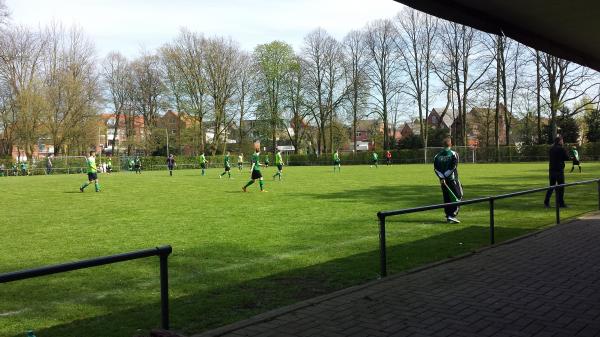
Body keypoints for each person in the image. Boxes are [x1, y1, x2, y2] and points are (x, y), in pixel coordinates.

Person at [433, 137, 463, 224]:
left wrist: (442, 178)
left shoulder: (437, 156)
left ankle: (448, 215)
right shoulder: (454, 154)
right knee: (458, 195)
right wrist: (446, 176)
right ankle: (452, 215)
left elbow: (435, 169)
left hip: (443, 181)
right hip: (452, 180)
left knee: (446, 198)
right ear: (451, 144)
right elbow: (453, 167)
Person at [544, 136, 570, 208]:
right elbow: (567, 158)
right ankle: (560, 203)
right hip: (559, 170)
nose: (563, 142)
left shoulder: (551, 149)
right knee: (561, 187)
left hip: (552, 170)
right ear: (560, 141)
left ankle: (546, 202)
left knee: (551, 186)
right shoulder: (561, 149)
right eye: (562, 140)